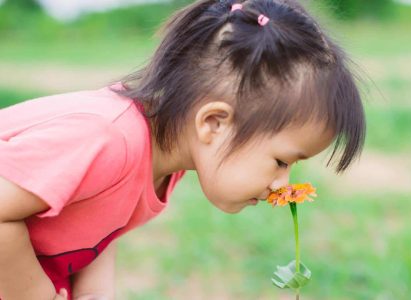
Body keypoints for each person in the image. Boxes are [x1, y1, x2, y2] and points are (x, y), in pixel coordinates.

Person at [0, 0, 365, 299]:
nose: (281, 185)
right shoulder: (107, 138)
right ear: (213, 123)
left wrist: (94, 292)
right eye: (281, 161)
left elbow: (95, 219)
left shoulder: (162, 161)